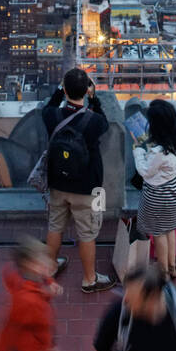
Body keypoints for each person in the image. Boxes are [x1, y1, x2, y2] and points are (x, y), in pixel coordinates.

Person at [42, 67, 114, 293]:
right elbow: (104, 120)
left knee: (55, 226)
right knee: (87, 233)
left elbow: (49, 107)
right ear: (86, 91)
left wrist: (59, 91)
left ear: (64, 90)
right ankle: (89, 279)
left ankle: (50, 266)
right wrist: (94, 99)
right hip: (88, 188)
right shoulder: (94, 121)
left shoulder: (51, 116)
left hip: (57, 183)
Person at [133, 99, 176, 280]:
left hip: (158, 195)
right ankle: (172, 267)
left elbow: (145, 172)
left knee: (158, 233)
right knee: (171, 229)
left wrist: (137, 149)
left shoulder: (159, 152)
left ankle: (163, 273)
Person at [0, 236, 62, 351]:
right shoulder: (28, 301)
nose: (48, 263)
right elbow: (22, 331)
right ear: (28, 265)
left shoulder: (21, 274)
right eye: (41, 261)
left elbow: (42, 276)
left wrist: (50, 282)